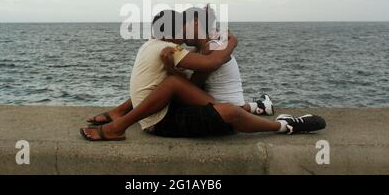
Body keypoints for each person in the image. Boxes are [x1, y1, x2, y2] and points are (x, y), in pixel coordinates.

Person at [80, 9, 326, 141]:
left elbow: (201, 73)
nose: (186, 29)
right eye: (182, 25)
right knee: (174, 84)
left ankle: (276, 122)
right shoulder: (171, 49)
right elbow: (209, 67)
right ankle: (277, 122)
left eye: (190, 23)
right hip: (162, 122)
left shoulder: (160, 46)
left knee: (177, 84)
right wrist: (232, 42)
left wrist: (219, 44)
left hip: (179, 114)